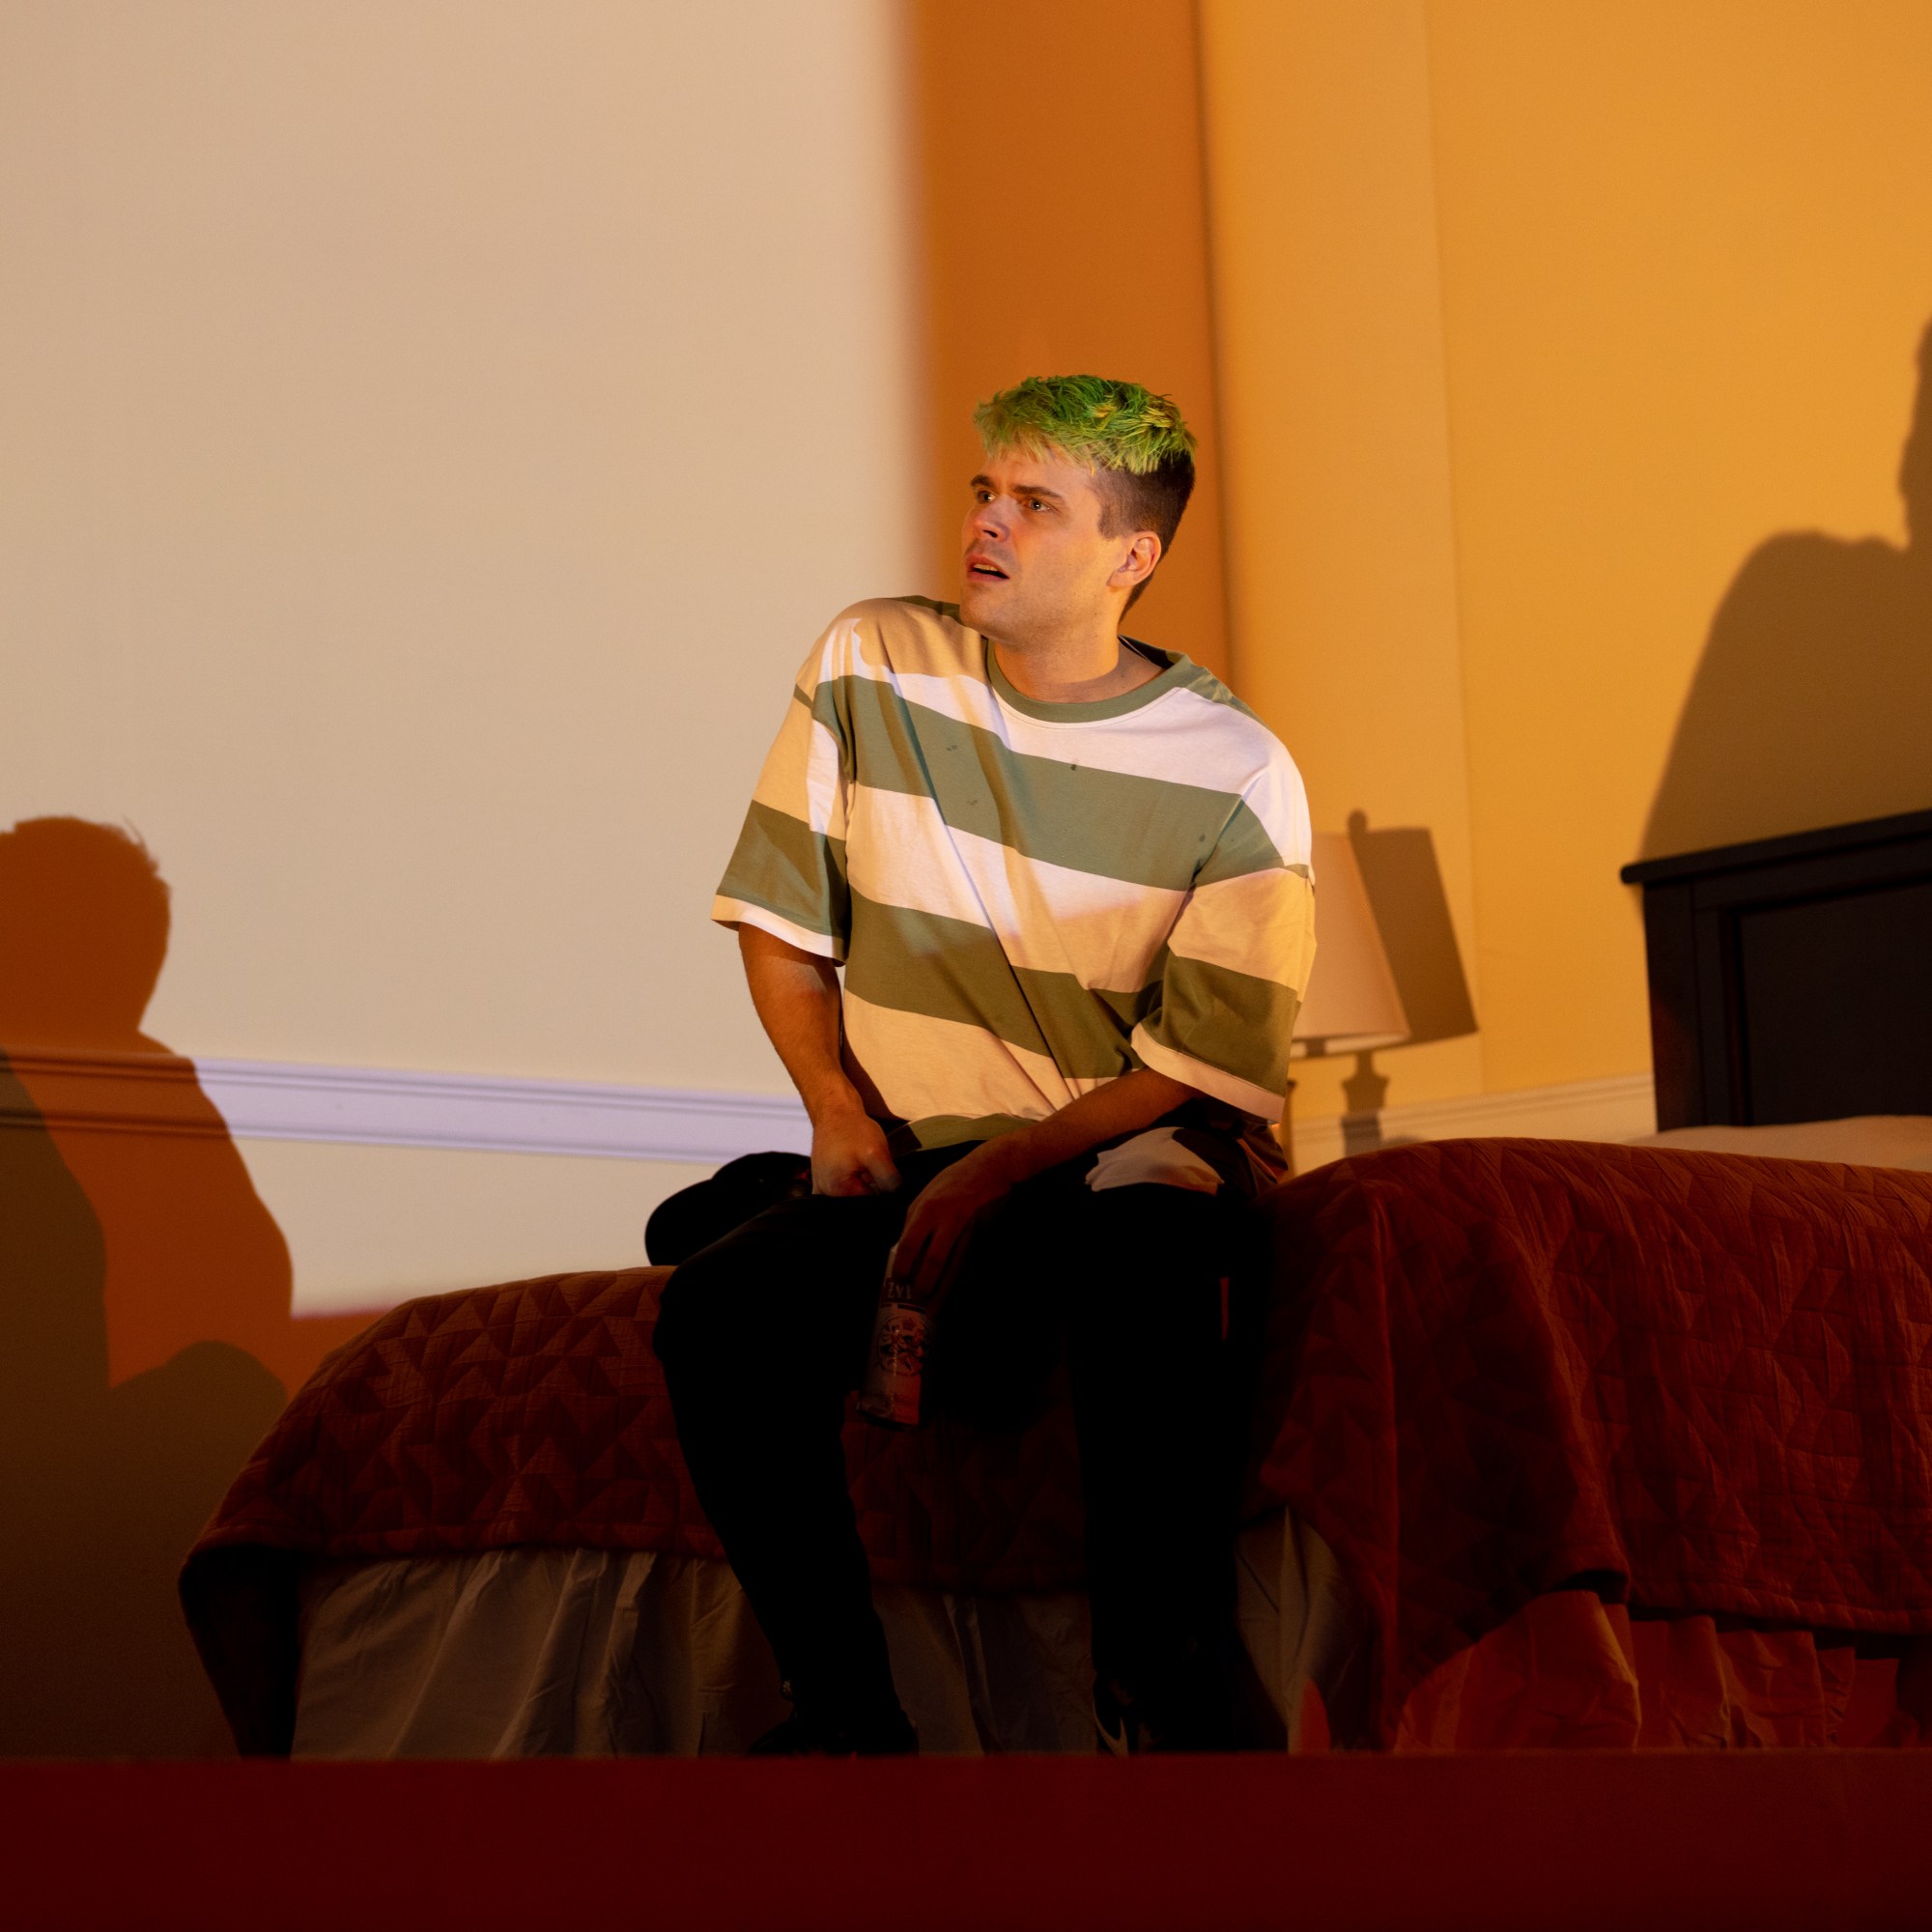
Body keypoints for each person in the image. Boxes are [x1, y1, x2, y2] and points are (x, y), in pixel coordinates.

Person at [653, 374, 1315, 1753]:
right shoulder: (871, 659)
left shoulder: (1237, 769)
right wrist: (836, 1113)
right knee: (715, 1307)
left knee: (1145, 1236)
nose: (988, 523)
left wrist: (997, 1174)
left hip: (1113, 1145)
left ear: (1131, 555)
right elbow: (779, 925)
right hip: (920, 1153)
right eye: (983, 492)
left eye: (1036, 504)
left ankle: (1162, 1716)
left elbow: (1196, 1070)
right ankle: (847, 1718)